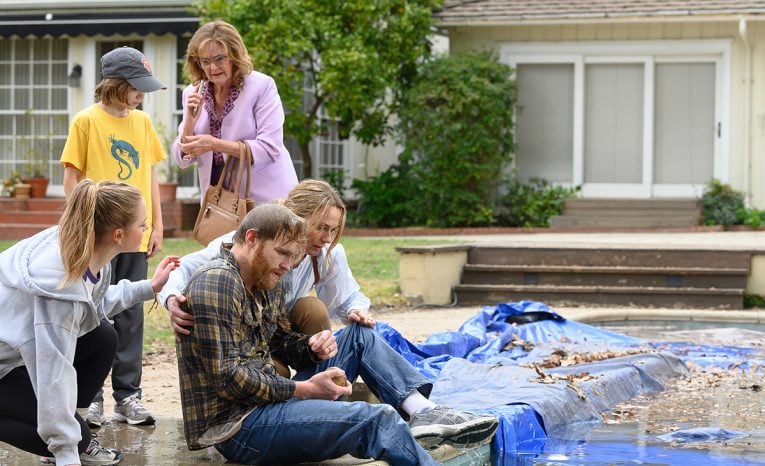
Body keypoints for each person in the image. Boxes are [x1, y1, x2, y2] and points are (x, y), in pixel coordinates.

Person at [175, 203, 498, 465]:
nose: (288, 265)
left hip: (265, 405)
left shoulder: (265, 277)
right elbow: (227, 379)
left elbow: (280, 342)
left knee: (359, 336)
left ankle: (424, 412)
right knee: (376, 420)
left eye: (293, 257)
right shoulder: (218, 281)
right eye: (283, 253)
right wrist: (303, 389)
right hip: (236, 429)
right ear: (251, 238)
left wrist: (312, 349)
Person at [0, 180, 180, 466]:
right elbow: (52, 372)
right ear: (119, 234)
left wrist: (150, 287)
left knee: (102, 337)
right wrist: (66, 450)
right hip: (6, 365)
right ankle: (72, 439)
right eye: (142, 225)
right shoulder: (59, 288)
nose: (146, 229)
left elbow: (89, 304)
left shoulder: (87, 248)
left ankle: (74, 432)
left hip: (11, 355)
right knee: (67, 439)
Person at [160, 179, 372, 377]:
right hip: (248, 336)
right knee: (277, 374)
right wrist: (172, 299)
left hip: (282, 332)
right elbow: (182, 268)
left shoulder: (327, 253)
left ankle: (318, 381)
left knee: (313, 309)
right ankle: (296, 395)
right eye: (321, 227)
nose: (327, 238)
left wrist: (355, 311)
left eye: (333, 230)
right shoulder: (243, 244)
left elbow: (345, 297)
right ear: (297, 215)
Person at [60, 46, 168, 428]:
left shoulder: (141, 123)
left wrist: (156, 224)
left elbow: (151, 175)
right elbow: (71, 178)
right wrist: (80, 226)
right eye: (137, 87)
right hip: (99, 237)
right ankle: (90, 398)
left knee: (131, 315)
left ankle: (128, 397)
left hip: (135, 236)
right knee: (92, 313)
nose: (142, 95)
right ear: (115, 84)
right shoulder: (86, 121)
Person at [172, 20, 298, 205]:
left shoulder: (261, 86)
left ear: (235, 55)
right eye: (205, 61)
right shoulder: (193, 92)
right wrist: (189, 124)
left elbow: (270, 148)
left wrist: (215, 144)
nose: (213, 68)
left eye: (219, 59)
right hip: (219, 204)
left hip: (267, 200)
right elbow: (181, 159)